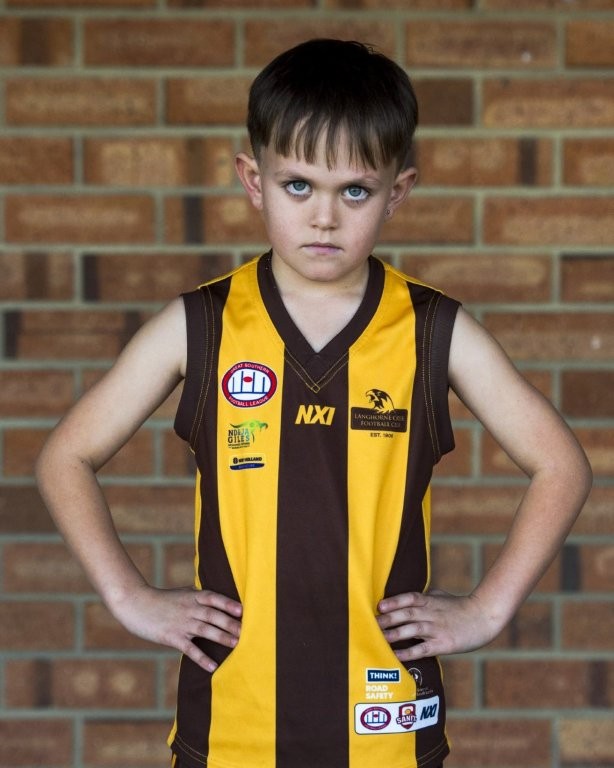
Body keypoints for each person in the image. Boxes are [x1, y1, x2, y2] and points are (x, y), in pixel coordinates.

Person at [36, 39, 592, 768]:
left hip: (386, 725)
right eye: (298, 185)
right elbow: (65, 457)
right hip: (234, 726)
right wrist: (127, 595)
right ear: (253, 180)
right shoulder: (201, 325)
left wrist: (487, 610)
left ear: (397, 192)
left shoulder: (434, 331)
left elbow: (562, 466)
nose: (324, 217)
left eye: (354, 191)